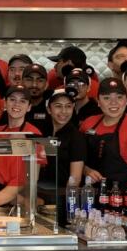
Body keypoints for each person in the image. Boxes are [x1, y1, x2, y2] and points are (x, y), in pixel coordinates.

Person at [40, 88, 87, 225]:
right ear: (49, 109)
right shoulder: (44, 131)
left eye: (68, 107)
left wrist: (68, 206)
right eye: (58, 106)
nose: (64, 112)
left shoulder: (76, 137)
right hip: (43, 196)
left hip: (61, 199)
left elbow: (75, 178)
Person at [22, 64, 53, 131]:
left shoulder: (53, 107)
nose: (34, 84)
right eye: (29, 80)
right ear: (22, 83)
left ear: (46, 84)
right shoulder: (14, 106)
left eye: (40, 80)